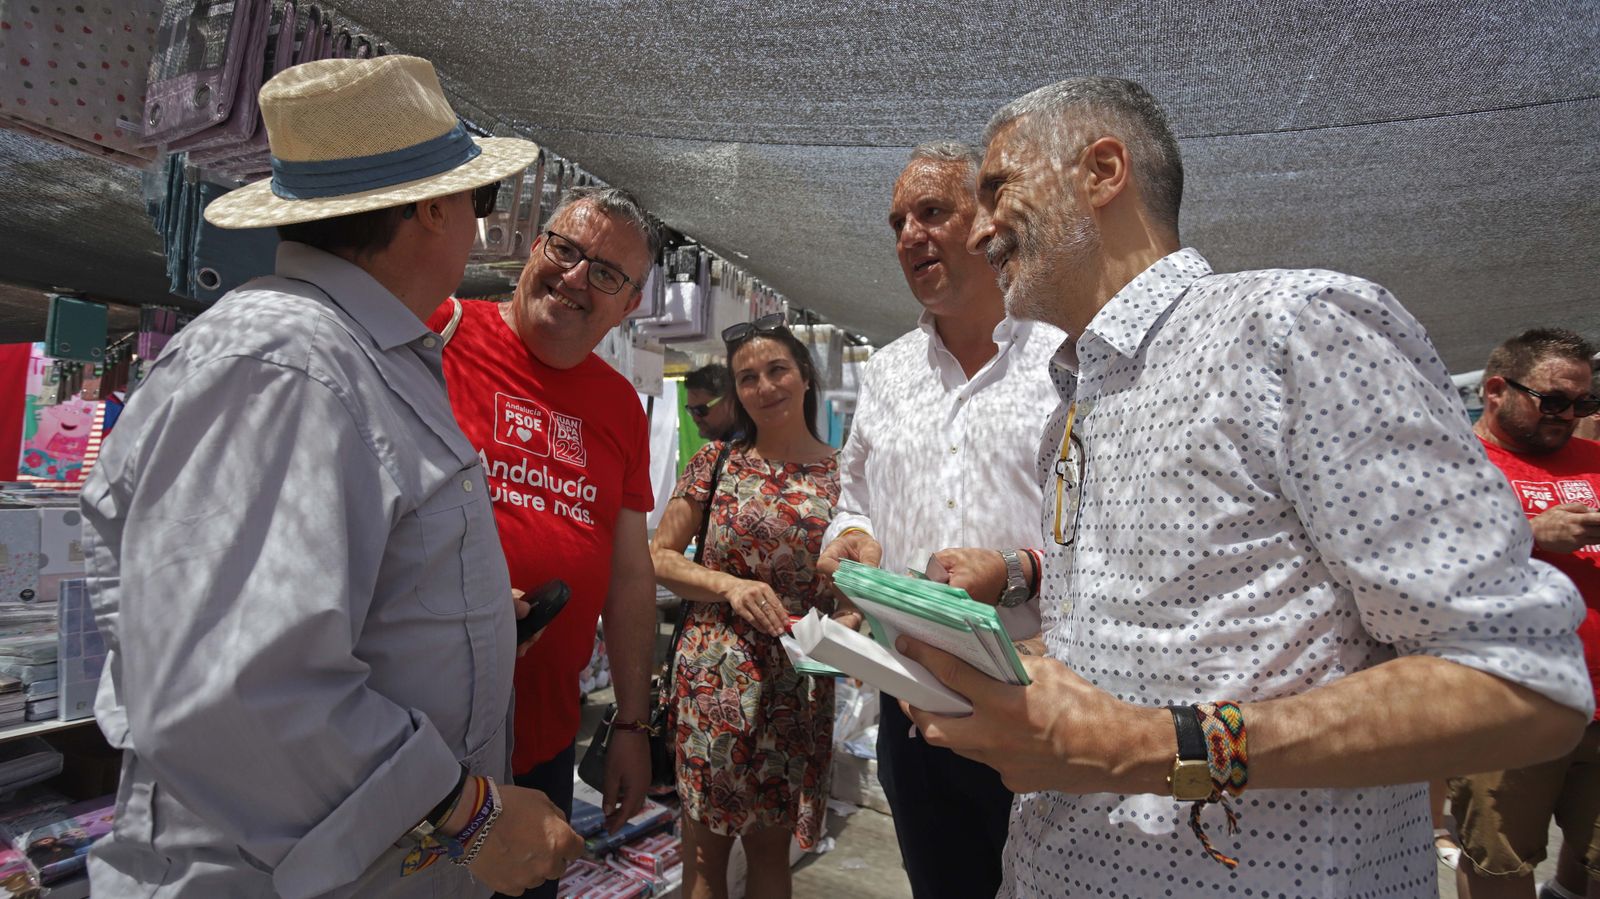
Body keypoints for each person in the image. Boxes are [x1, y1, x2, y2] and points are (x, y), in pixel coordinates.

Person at [892, 75, 1592, 898]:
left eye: (996, 188)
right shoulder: (1074, 401)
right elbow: (1158, 648)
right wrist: (997, 670)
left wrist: (1152, 747)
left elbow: (1522, 682)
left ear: (1103, 170)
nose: (974, 230)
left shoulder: (1294, 328)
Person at [82, 56, 583, 897]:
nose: (479, 225)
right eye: (479, 200)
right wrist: (471, 816)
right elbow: (237, 687)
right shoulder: (285, 367)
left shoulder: (346, 356)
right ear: (431, 206)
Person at [814, 141, 1060, 899]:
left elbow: (1105, 529)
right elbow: (854, 494)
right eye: (897, 222)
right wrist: (847, 538)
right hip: (912, 706)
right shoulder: (887, 373)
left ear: (986, 221)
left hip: (1039, 697)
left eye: (931, 212)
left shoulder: (1063, 358)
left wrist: (1017, 572)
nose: (909, 236)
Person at [425, 186, 663, 899]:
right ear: (533, 248)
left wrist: (630, 721)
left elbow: (629, 578)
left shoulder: (621, 406)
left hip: (542, 747)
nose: (576, 278)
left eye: (607, 274)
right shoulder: (436, 331)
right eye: (566, 249)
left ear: (630, 306)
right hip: (418, 753)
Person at [650, 316, 840, 899]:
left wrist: (850, 623)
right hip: (715, 683)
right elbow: (657, 556)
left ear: (805, 375)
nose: (765, 387)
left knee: (770, 856)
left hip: (797, 686)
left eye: (777, 369)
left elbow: (854, 581)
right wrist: (728, 586)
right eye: (748, 378)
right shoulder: (717, 464)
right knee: (705, 858)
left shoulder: (842, 475)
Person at [1453, 329, 1600, 899]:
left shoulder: (1594, 458)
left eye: (1583, 403)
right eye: (1554, 400)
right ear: (1495, 389)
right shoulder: (1454, 466)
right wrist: (1531, 534)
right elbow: (1422, 571)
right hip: (1509, 709)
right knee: (1501, 864)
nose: (1568, 415)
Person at [684, 363, 739, 441]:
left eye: (701, 410)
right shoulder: (723, 446)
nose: (695, 419)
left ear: (730, 402)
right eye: (690, 410)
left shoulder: (749, 446)